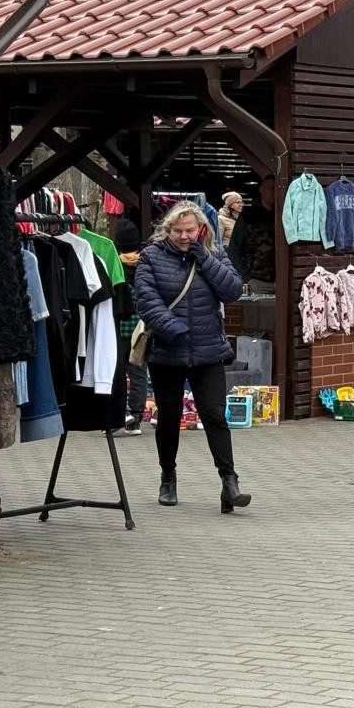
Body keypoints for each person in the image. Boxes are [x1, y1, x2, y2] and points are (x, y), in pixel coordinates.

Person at [134, 200, 250, 513]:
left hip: (208, 350)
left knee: (214, 415)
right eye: (179, 230)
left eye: (191, 230)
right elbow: (146, 299)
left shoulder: (213, 252)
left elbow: (232, 290)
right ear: (167, 229)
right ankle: (168, 476)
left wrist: (204, 257)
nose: (185, 236)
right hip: (168, 351)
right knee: (169, 418)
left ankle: (229, 481)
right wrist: (172, 328)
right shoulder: (152, 257)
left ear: (201, 229)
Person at [113, 215, 149, 435]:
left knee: (115, 375)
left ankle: (115, 416)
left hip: (117, 328)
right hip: (141, 330)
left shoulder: (112, 263)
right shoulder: (146, 263)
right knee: (138, 374)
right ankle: (135, 419)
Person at [229, 178, 277, 294]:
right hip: (257, 281)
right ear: (261, 189)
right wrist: (246, 278)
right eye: (271, 188)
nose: (275, 192)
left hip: (284, 281)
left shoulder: (286, 215)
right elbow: (233, 249)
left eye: (277, 188)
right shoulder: (248, 217)